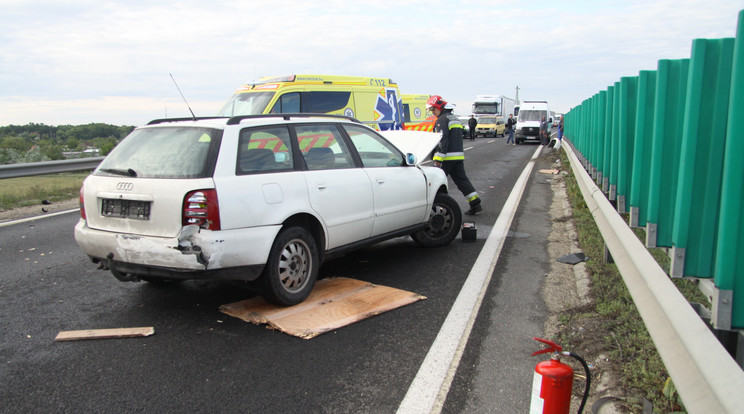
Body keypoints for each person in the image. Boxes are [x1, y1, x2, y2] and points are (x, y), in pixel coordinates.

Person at [427, 95, 483, 215]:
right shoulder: (454, 118)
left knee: (436, 183)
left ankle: (436, 208)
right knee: (462, 181)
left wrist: (438, 160)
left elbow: (443, 139)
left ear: (439, 107)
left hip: (446, 158)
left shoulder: (442, 119)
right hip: (457, 157)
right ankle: (475, 203)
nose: (433, 113)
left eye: (433, 109)